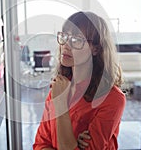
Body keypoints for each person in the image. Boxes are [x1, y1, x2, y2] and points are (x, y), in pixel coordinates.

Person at [33, 11, 126, 150]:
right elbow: (40, 144)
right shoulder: (60, 86)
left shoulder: (113, 99)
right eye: (64, 36)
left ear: (96, 49)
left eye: (77, 39)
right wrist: (73, 144)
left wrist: (61, 106)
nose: (66, 45)